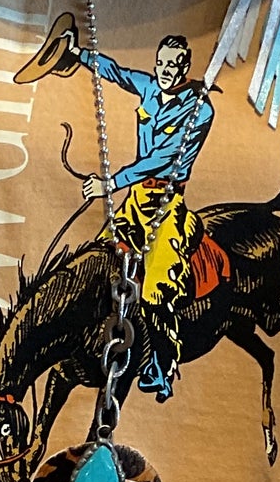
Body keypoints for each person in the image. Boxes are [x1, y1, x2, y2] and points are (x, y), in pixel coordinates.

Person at [56, 26, 217, 397]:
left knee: (156, 290)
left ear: (186, 67)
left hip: (168, 205)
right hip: (135, 202)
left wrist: (110, 184)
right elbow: (115, 71)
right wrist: (78, 53)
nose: (166, 71)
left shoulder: (200, 110)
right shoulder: (148, 87)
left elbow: (163, 159)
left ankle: (161, 365)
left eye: (175, 65)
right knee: (95, 262)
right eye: (162, 63)